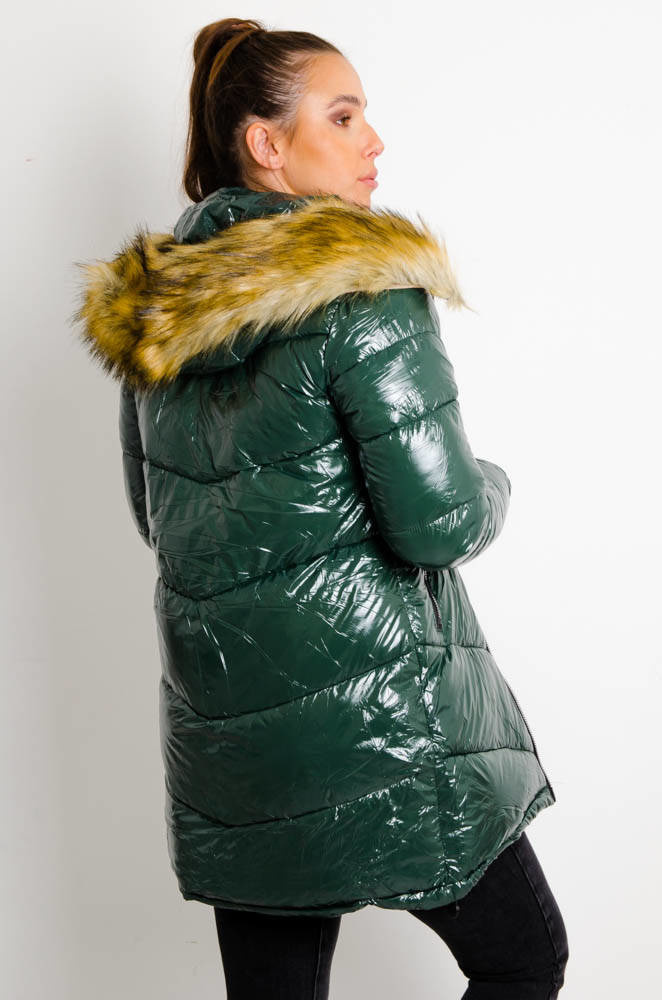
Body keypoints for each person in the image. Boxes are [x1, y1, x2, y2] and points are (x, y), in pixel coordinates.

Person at [72, 16, 569, 1000]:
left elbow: (158, 519)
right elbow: (437, 522)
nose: (372, 140)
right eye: (342, 117)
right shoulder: (364, 292)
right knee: (523, 958)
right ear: (266, 142)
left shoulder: (157, 314)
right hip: (385, 728)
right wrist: (495, 480)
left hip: (234, 740)